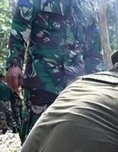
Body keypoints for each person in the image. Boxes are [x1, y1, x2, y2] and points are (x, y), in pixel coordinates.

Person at [6, 0, 103, 143]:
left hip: (77, 88)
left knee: (74, 142)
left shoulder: (87, 5)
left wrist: (97, 82)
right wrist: (14, 64)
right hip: (42, 84)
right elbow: (19, 29)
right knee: (36, 140)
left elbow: (94, 48)